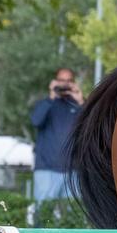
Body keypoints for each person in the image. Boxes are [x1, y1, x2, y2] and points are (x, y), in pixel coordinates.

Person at [30, 68, 84, 201]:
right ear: (54, 82)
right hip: (46, 170)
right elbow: (36, 121)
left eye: (69, 81)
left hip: (73, 172)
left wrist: (81, 101)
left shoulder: (79, 104)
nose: (65, 84)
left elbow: (91, 127)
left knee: (72, 218)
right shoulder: (46, 103)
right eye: (61, 80)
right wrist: (51, 97)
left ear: (73, 83)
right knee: (43, 215)